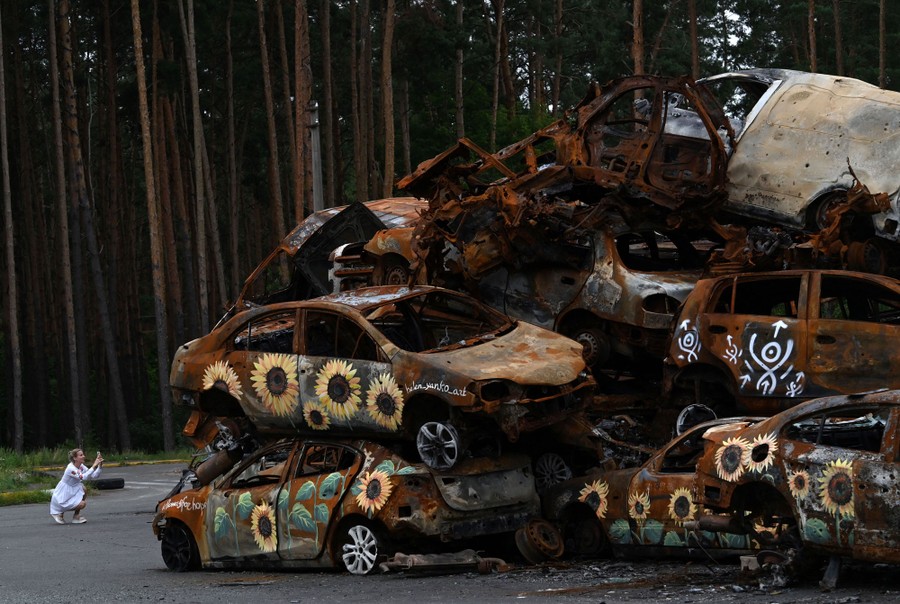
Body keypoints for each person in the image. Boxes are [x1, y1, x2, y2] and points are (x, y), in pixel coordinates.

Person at [49, 448, 103, 524]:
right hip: (63, 492)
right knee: (82, 504)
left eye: (83, 454)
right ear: (74, 458)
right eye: (81, 455)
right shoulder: (71, 468)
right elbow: (83, 477)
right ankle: (59, 513)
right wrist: (94, 465)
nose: (84, 456)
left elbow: (94, 475)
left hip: (74, 488)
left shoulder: (81, 466)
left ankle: (76, 517)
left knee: (83, 489)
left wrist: (100, 465)